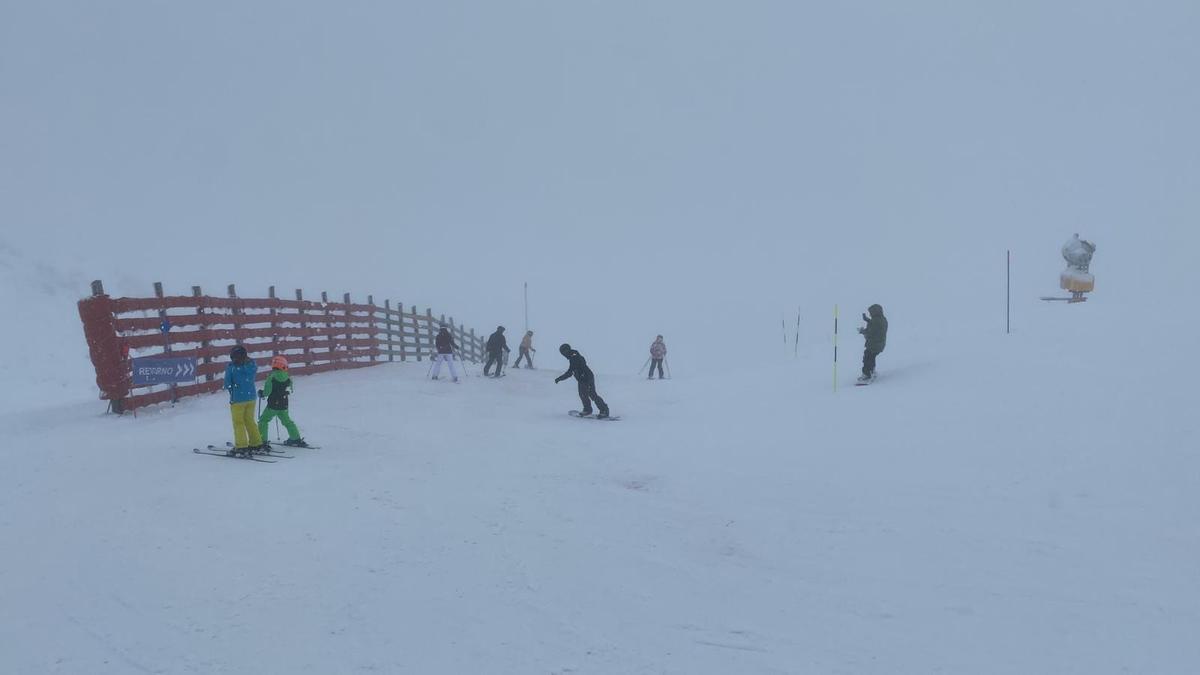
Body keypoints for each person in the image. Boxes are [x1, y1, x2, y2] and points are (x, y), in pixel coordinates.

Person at [257, 355, 309, 447]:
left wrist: (262, 393)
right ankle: (295, 438)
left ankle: (262, 441)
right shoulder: (287, 377)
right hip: (284, 403)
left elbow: (267, 391)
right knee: (287, 421)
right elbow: (290, 389)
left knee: (263, 420)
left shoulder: (272, 376)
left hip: (273, 404)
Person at [223, 345, 263, 456]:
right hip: (251, 397)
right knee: (249, 421)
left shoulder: (232, 367)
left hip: (238, 399)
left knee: (238, 423)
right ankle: (256, 442)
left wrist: (231, 389)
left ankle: (241, 446)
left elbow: (227, 383)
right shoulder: (252, 365)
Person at [555, 343, 610, 418]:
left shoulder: (574, 357)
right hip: (583, 378)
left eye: (563, 353)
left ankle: (604, 410)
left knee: (591, 394)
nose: (563, 355)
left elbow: (570, 372)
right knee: (583, 394)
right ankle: (588, 409)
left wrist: (559, 378)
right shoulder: (574, 356)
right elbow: (573, 370)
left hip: (586, 378)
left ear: (566, 351)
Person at [857, 304, 888, 382]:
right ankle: (872, 371)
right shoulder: (882, 319)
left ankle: (867, 374)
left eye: (871, 312)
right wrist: (867, 320)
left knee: (867, 357)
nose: (870, 314)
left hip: (874, 344)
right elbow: (875, 325)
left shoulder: (876, 321)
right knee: (871, 357)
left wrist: (862, 331)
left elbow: (870, 331)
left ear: (875, 312)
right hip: (879, 344)